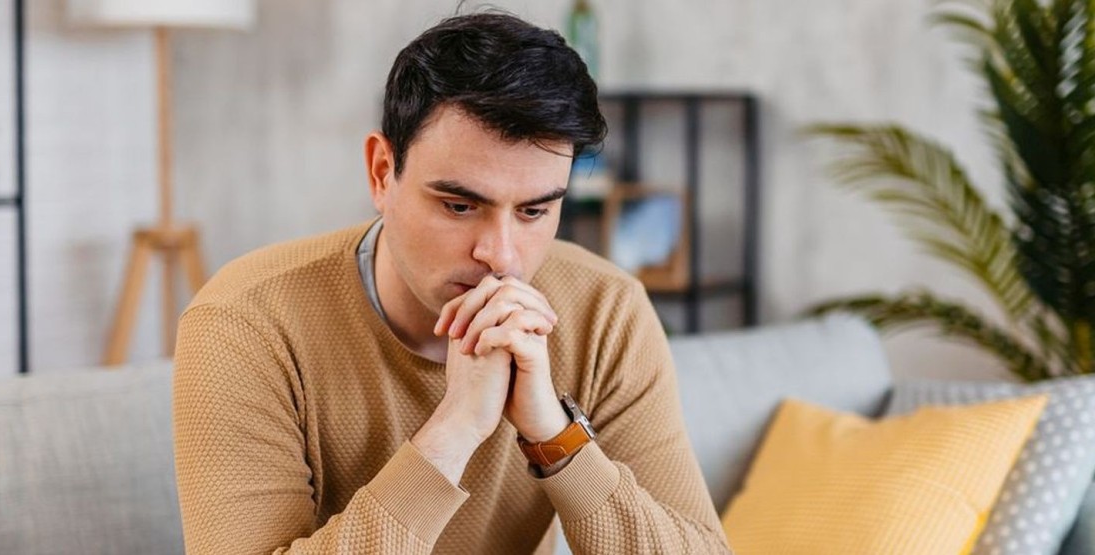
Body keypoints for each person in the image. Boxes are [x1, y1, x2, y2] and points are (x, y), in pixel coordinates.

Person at [172, 11, 729, 554]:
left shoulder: (607, 311)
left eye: (535, 211)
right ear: (381, 173)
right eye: (460, 205)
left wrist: (553, 435)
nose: (501, 256)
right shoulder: (245, 323)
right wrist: (455, 430)